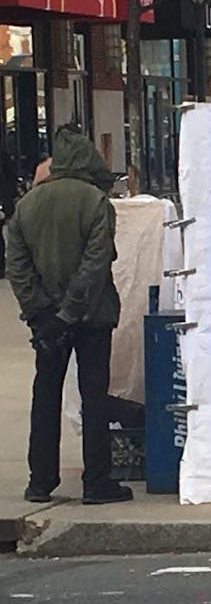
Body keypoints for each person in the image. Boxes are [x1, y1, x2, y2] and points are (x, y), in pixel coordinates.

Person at [6, 125, 132, 505]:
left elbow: (17, 264)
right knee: (94, 396)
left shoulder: (27, 205)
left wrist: (42, 314)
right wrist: (70, 313)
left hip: (46, 323)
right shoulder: (95, 202)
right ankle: (97, 481)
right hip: (92, 318)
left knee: (45, 394)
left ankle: (40, 481)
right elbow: (95, 265)